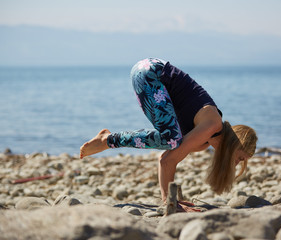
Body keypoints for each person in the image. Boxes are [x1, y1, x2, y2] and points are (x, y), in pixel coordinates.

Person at [80, 57, 257, 204]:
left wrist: (171, 200)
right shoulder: (212, 125)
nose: (236, 164)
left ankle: (109, 140)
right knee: (172, 139)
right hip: (151, 72)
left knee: (173, 139)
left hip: (147, 73)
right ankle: (108, 139)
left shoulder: (203, 143)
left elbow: (165, 159)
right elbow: (168, 160)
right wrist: (170, 201)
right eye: (240, 158)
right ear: (234, 144)